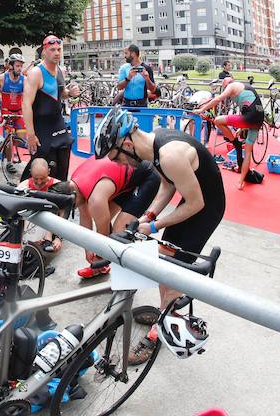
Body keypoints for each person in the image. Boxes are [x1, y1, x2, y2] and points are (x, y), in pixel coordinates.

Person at [94, 106, 225, 364]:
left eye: (116, 158)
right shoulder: (154, 145)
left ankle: (160, 334)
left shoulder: (169, 154)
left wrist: (153, 227)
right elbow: (168, 184)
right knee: (164, 261)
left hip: (204, 210)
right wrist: (149, 217)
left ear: (127, 144)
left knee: (173, 272)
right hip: (192, 204)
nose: (120, 165)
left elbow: (195, 204)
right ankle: (166, 311)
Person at [61, 155, 160, 279]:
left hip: (146, 177)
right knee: (101, 219)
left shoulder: (95, 198)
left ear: (73, 196)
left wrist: (97, 253)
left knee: (119, 232)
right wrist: (87, 249)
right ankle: (101, 266)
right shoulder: (74, 186)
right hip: (121, 180)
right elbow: (85, 218)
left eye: (73, 206)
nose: (74, 208)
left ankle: (127, 279)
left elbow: (104, 236)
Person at [21, 35, 80, 181]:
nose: (57, 53)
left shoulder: (60, 70)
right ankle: (24, 191)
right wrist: (30, 135)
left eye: (59, 49)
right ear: (44, 52)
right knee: (42, 170)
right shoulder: (36, 73)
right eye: (52, 49)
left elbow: (60, 94)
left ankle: (59, 200)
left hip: (58, 125)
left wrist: (69, 93)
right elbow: (26, 104)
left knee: (62, 169)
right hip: (42, 129)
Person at [195, 77, 265, 190]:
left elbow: (217, 99)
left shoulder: (232, 86)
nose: (224, 85)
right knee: (247, 152)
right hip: (258, 119)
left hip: (250, 117)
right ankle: (241, 182)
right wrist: (241, 128)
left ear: (227, 83)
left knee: (218, 120)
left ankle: (235, 142)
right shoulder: (243, 87)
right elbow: (250, 108)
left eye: (224, 83)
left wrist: (201, 110)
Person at [18, 157, 63, 253]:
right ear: (30, 172)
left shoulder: (57, 186)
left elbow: (63, 213)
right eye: (35, 179)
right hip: (29, 224)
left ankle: (48, 238)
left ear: (49, 171)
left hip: (50, 225)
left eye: (42, 178)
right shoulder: (23, 186)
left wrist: (59, 238)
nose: (39, 182)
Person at [0, 53, 26, 171]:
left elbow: (28, 96)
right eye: (17, 66)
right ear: (11, 66)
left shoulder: (24, 79)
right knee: (10, 137)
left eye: (21, 66)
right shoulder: (2, 78)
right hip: (6, 111)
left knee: (21, 138)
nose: (20, 68)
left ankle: (4, 144)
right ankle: (9, 162)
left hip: (19, 111)